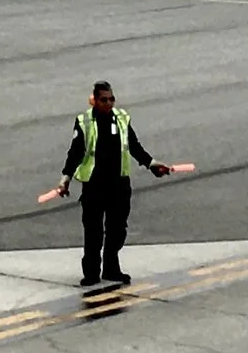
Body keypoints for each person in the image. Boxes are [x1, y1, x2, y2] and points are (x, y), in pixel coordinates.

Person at [55, 80, 172, 287]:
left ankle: (111, 267)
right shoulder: (85, 122)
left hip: (119, 183)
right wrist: (65, 179)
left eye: (111, 99)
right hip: (94, 185)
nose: (108, 103)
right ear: (95, 100)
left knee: (117, 229)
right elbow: (75, 153)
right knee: (93, 231)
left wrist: (152, 164)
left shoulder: (121, 118)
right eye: (103, 100)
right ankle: (91, 272)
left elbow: (134, 146)